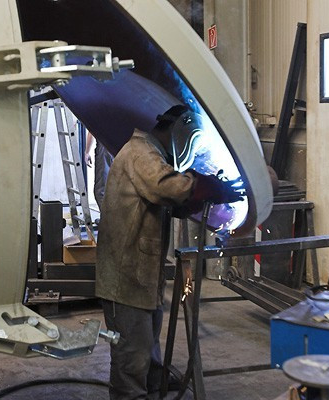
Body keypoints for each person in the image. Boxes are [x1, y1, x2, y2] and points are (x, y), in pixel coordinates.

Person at [96, 105, 243, 399]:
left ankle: (152, 383)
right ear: (182, 132)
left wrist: (208, 196)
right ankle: (130, 394)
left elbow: (171, 203)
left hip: (140, 271)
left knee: (146, 340)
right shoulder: (141, 151)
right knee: (131, 351)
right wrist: (206, 186)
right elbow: (166, 187)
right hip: (125, 274)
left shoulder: (153, 154)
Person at [85, 131, 114, 210]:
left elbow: (91, 132)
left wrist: (87, 152)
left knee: (101, 190)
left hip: (105, 148)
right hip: (121, 147)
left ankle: (108, 216)